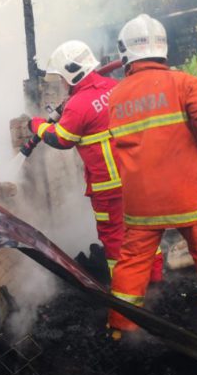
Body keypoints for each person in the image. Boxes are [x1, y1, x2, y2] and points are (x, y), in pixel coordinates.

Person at [106, 14, 197, 341]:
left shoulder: (117, 96)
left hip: (142, 201)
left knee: (132, 262)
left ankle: (119, 327)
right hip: (190, 195)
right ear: (163, 48)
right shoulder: (185, 83)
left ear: (126, 52)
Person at [28, 40, 163, 282]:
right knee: (145, 231)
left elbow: (61, 139)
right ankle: (155, 282)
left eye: (62, 76)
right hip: (138, 178)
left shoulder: (78, 106)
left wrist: (37, 126)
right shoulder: (115, 87)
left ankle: (126, 298)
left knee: (114, 239)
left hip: (109, 188)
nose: (61, 82)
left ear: (71, 72)